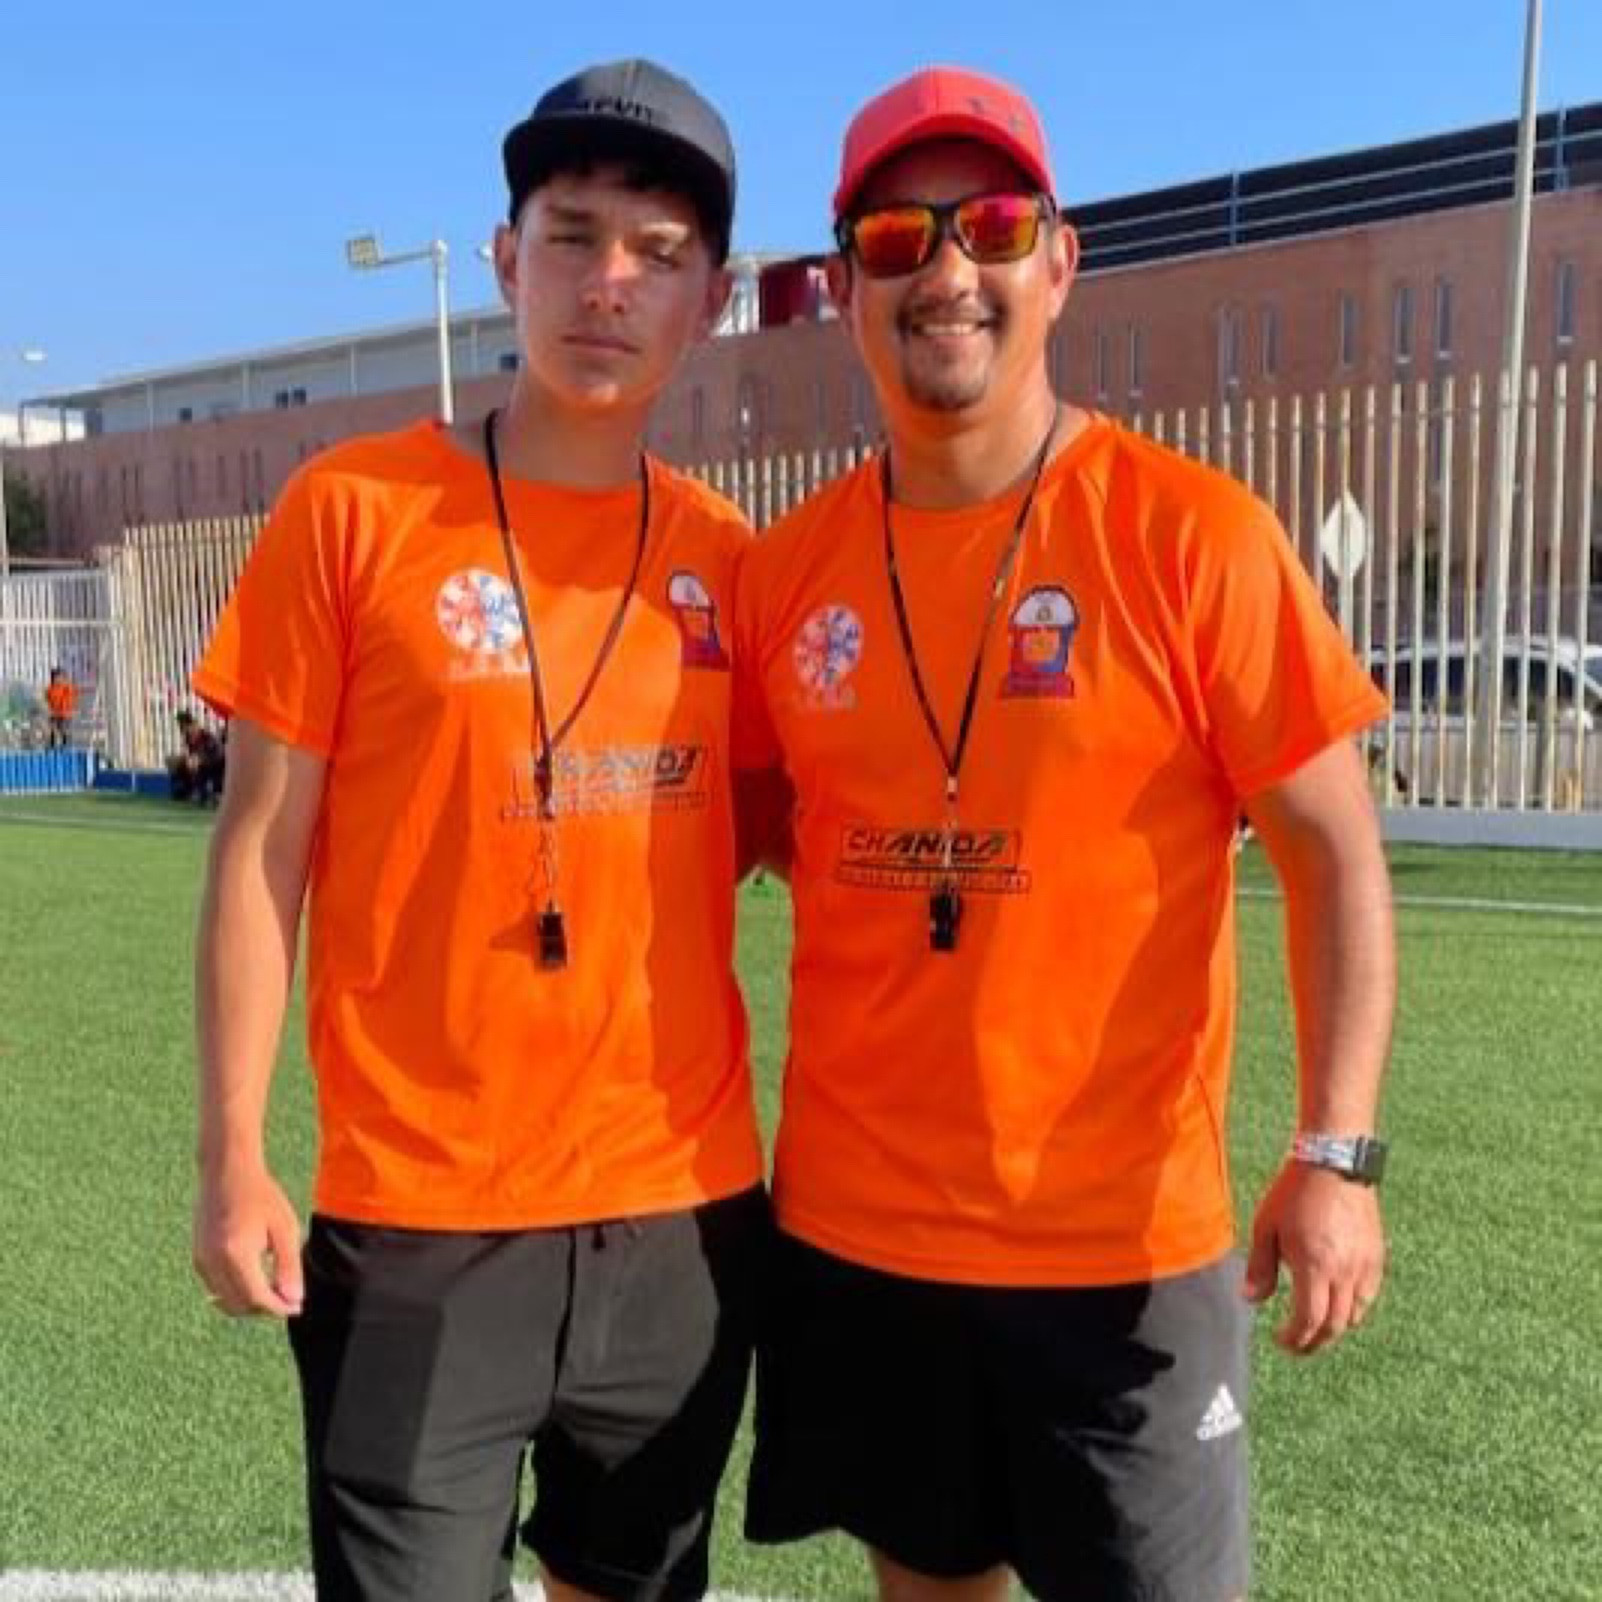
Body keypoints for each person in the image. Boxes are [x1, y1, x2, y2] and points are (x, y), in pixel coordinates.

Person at [733, 67, 1397, 1602]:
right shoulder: (786, 575)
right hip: (862, 1236)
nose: (945, 270)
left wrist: (1336, 1150)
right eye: (896, 237)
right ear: (844, 285)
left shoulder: (1192, 535)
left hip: (1122, 1253)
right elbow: (754, 825)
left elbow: (1332, 851)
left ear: (1058, 260)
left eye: (990, 225)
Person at [190, 60, 769, 1602]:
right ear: (508, 258)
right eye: (572, 235)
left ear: (709, 299)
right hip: (419, 1215)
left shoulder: (730, 562)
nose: (607, 283)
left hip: (680, 1216)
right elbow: (259, 850)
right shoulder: (351, 512)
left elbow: (794, 819)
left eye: (657, 252)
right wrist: (233, 1152)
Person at [168, 709, 226, 803]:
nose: (185, 731)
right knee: (181, 767)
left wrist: (198, 760)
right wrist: (188, 759)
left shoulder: (207, 737)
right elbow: (190, 753)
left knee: (205, 769)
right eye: (183, 728)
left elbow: (216, 755)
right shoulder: (188, 737)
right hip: (202, 764)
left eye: (186, 727)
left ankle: (216, 793)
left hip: (216, 764)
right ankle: (192, 791)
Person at [44, 666, 77, 747]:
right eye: (55, 677)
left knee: (63, 730)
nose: (57, 679)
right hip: (55, 713)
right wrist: (51, 711)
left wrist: (65, 711)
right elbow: (48, 700)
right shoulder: (50, 689)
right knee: (52, 729)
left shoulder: (67, 688)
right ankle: (52, 745)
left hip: (64, 714)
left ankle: (65, 745)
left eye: (59, 677)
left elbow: (70, 700)